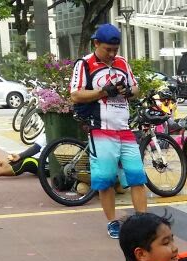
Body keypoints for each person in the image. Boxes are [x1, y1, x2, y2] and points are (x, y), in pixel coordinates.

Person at [70, 23, 146, 239]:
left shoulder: (122, 62)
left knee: (137, 177)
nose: (112, 54)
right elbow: (75, 95)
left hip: (124, 129)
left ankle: (143, 221)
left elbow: (136, 89)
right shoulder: (85, 64)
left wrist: (129, 91)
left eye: (115, 50)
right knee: (105, 180)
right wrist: (103, 92)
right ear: (96, 43)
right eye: (108, 50)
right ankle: (112, 222)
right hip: (100, 130)